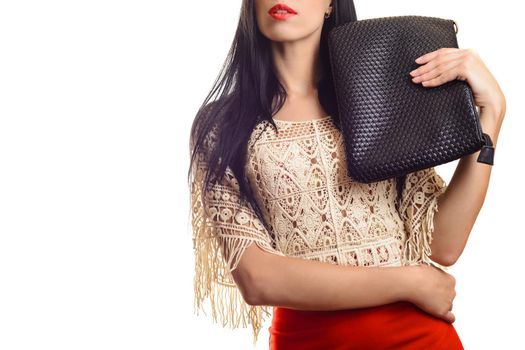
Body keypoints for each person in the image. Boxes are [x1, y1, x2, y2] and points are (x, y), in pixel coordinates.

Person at [187, 0, 506, 349]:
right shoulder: (223, 127)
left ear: (330, 4)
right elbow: (257, 278)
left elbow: (442, 244)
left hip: (418, 338)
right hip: (306, 340)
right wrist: (410, 283)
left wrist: (492, 112)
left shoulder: (378, 99)